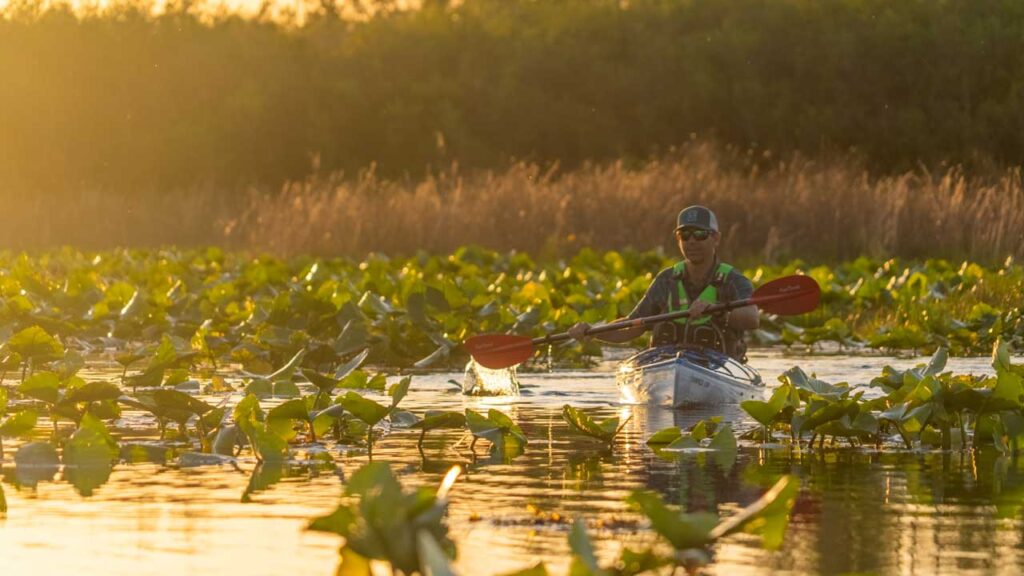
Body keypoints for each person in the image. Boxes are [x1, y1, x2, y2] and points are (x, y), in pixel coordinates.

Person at [568, 205, 759, 362]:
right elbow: (632, 326)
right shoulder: (666, 280)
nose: (692, 241)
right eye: (685, 235)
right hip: (665, 364)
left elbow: (753, 318)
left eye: (700, 234)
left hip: (716, 366)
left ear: (716, 238)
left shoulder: (734, 280)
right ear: (678, 240)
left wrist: (717, 309)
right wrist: (593, 331)